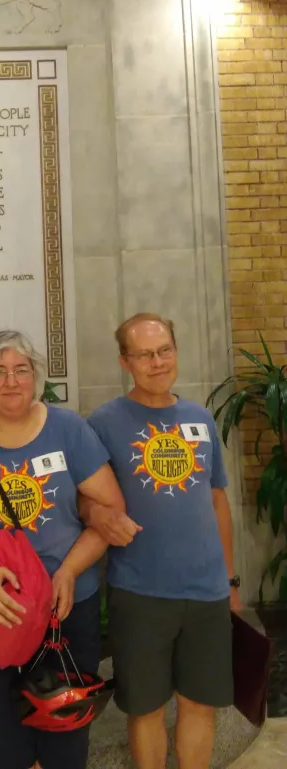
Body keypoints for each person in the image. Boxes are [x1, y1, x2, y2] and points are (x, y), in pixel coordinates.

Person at [0, 330, 138, 769]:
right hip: (0, 608)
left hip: (68, 605)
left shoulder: (69, 430)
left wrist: (66, 572)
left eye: (21, 370)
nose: (11, 381)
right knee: (4, 731)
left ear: (37, 378)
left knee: (65, 726)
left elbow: (110, 510)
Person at [86, 313, 241, 769]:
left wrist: (229, 582)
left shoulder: (199, 418)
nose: (157, 362)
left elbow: (217, 502)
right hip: (140, 592)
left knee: (199, 704)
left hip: (207, 591)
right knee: (146, 707)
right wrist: (96, 512)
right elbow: (82, 502)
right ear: (125, 361)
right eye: (144, 354)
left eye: (164, 350)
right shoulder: (103, 423)